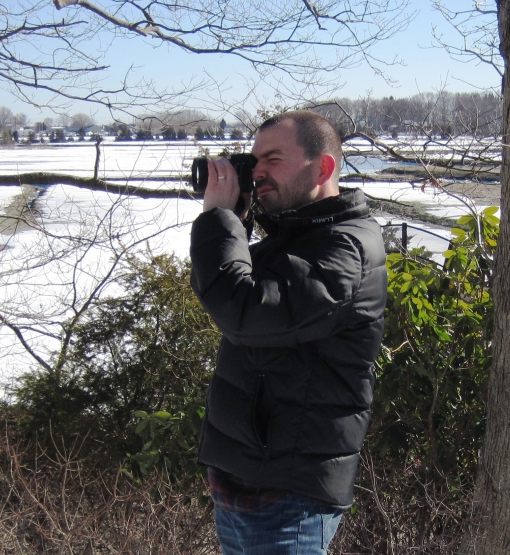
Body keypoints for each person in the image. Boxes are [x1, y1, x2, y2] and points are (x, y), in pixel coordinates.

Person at [190, 110, 387, 554]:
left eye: (272, 159)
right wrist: (235, 222)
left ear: (323, 168)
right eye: (253, 159)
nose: (256, 172)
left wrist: (220, 221)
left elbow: (244, 311)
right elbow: (228, 293)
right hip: (247, 487)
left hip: (289, 498)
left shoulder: (345, 248)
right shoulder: (294, 239)